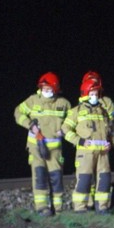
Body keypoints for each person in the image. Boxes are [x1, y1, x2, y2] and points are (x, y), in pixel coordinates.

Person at [14, 72, 71, 216]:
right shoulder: (33, 101)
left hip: (55, 150)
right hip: (36, 147)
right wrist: (30, 125)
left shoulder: (64, 104)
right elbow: (18, 113)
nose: (46, 91)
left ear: (56, 88)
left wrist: (64, 130)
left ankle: (58, 209)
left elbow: (72, 121)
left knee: (56, 178)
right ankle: (42, 207)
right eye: (44, 88)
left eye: (49, 88)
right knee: (39, 176)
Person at [61, 72, 114, 213]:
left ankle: (102, 208)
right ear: (86, 93)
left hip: (103, 153)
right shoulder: (76, 111)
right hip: (85, 153)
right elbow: (65, 130)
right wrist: (80, 141)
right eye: (93, 93)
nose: (95, 96)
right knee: (84, 181)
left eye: (97, 93)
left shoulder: (103, 111)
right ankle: (80, 209)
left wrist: (111, 143)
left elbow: (111, 130)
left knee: (104, 181)